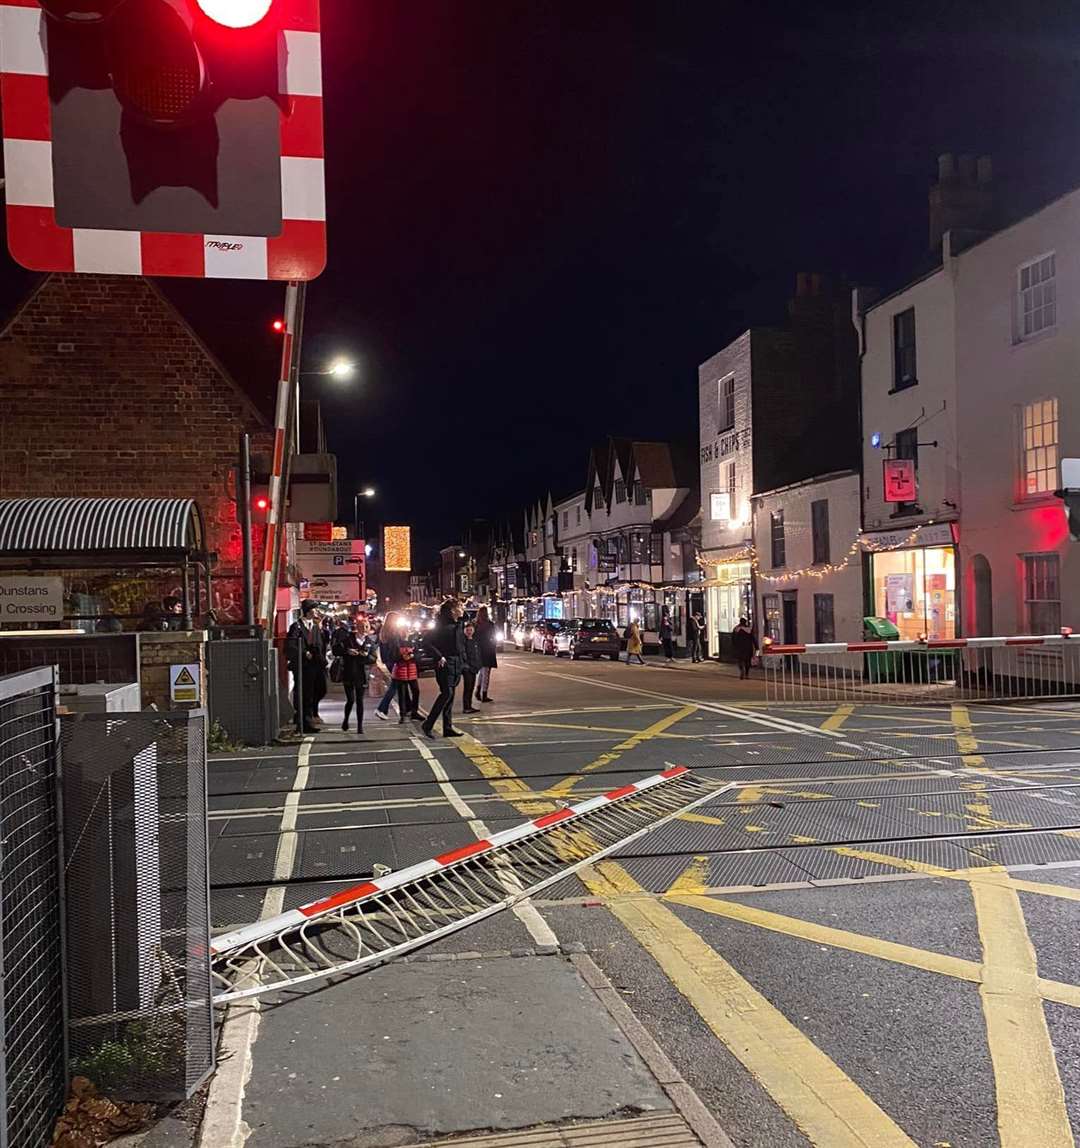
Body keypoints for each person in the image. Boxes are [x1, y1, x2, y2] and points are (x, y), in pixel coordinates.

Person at [422, 599, 464, 738]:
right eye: (460, 607)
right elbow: (426, 642)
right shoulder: (441, 626)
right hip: (445, 663)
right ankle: (428, 724)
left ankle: (448, 727)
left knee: (450, 696)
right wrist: (439, 656)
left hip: (456, 662)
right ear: (452, 610)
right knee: (446, 694)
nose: (463, 609)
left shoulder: (457, 624)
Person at [287, 599, 326, 733]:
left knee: (320, 689)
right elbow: (291, 645)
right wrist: (304, 653)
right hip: (303, 666)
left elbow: (321, 644)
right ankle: (303, 722)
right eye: (314, 609)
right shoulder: (296, 626)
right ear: (309, 610)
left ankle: (309, 716)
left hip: (316, 665)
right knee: (304, 693)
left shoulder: (315, 627)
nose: (316, 611)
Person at [332, 614, 376, 733]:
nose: (364, 628)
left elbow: (374, 659)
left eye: (366, 626)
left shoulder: (369, 642)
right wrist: (347, 651)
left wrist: (367, 656)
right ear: (357, 626)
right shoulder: (348, 638)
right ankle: (346, 720)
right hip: (349, 672)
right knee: (350, 700)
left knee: (360, 700)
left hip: (362, 675)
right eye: (362, 626)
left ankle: (360, 726)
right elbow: (335, 650)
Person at [374, 610, 404, 720]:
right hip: (395, 661)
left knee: (400, 685)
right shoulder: (393, 632)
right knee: (395, 685)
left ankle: (406, 710)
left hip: (388, 661)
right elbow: (396, 647)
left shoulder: (384, 631)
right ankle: (382, 708)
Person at [391, 639, 421, 723]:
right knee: (402, 695)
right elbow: (393, 657)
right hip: (401, 672)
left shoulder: (413, 641)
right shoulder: (397, 642)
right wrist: (402, 657)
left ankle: (414, 712)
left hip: (412, 671)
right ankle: (402, 715)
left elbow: (418, 655)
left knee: (416, 691)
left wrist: (412, 656)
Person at [473, 605, 498, 703]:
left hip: (479, 650)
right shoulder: (489, 624)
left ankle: (478, 691)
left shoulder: (475, 624)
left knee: (482, 673)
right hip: (488, 650)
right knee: (486, 673)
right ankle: (484, 694)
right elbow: (493, 636)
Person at [461, 620, 482, 713]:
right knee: (467, 688)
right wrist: (466, 666)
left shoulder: (474, 640)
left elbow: (477, 654)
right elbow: (463, 654)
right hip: (467, 668)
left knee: (471, 687)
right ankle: (466, 707)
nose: (469, 631)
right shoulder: (463, 641)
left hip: (474, 667)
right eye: (467, 630)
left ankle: (469, 706)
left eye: (471, 630)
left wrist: (479, 665)